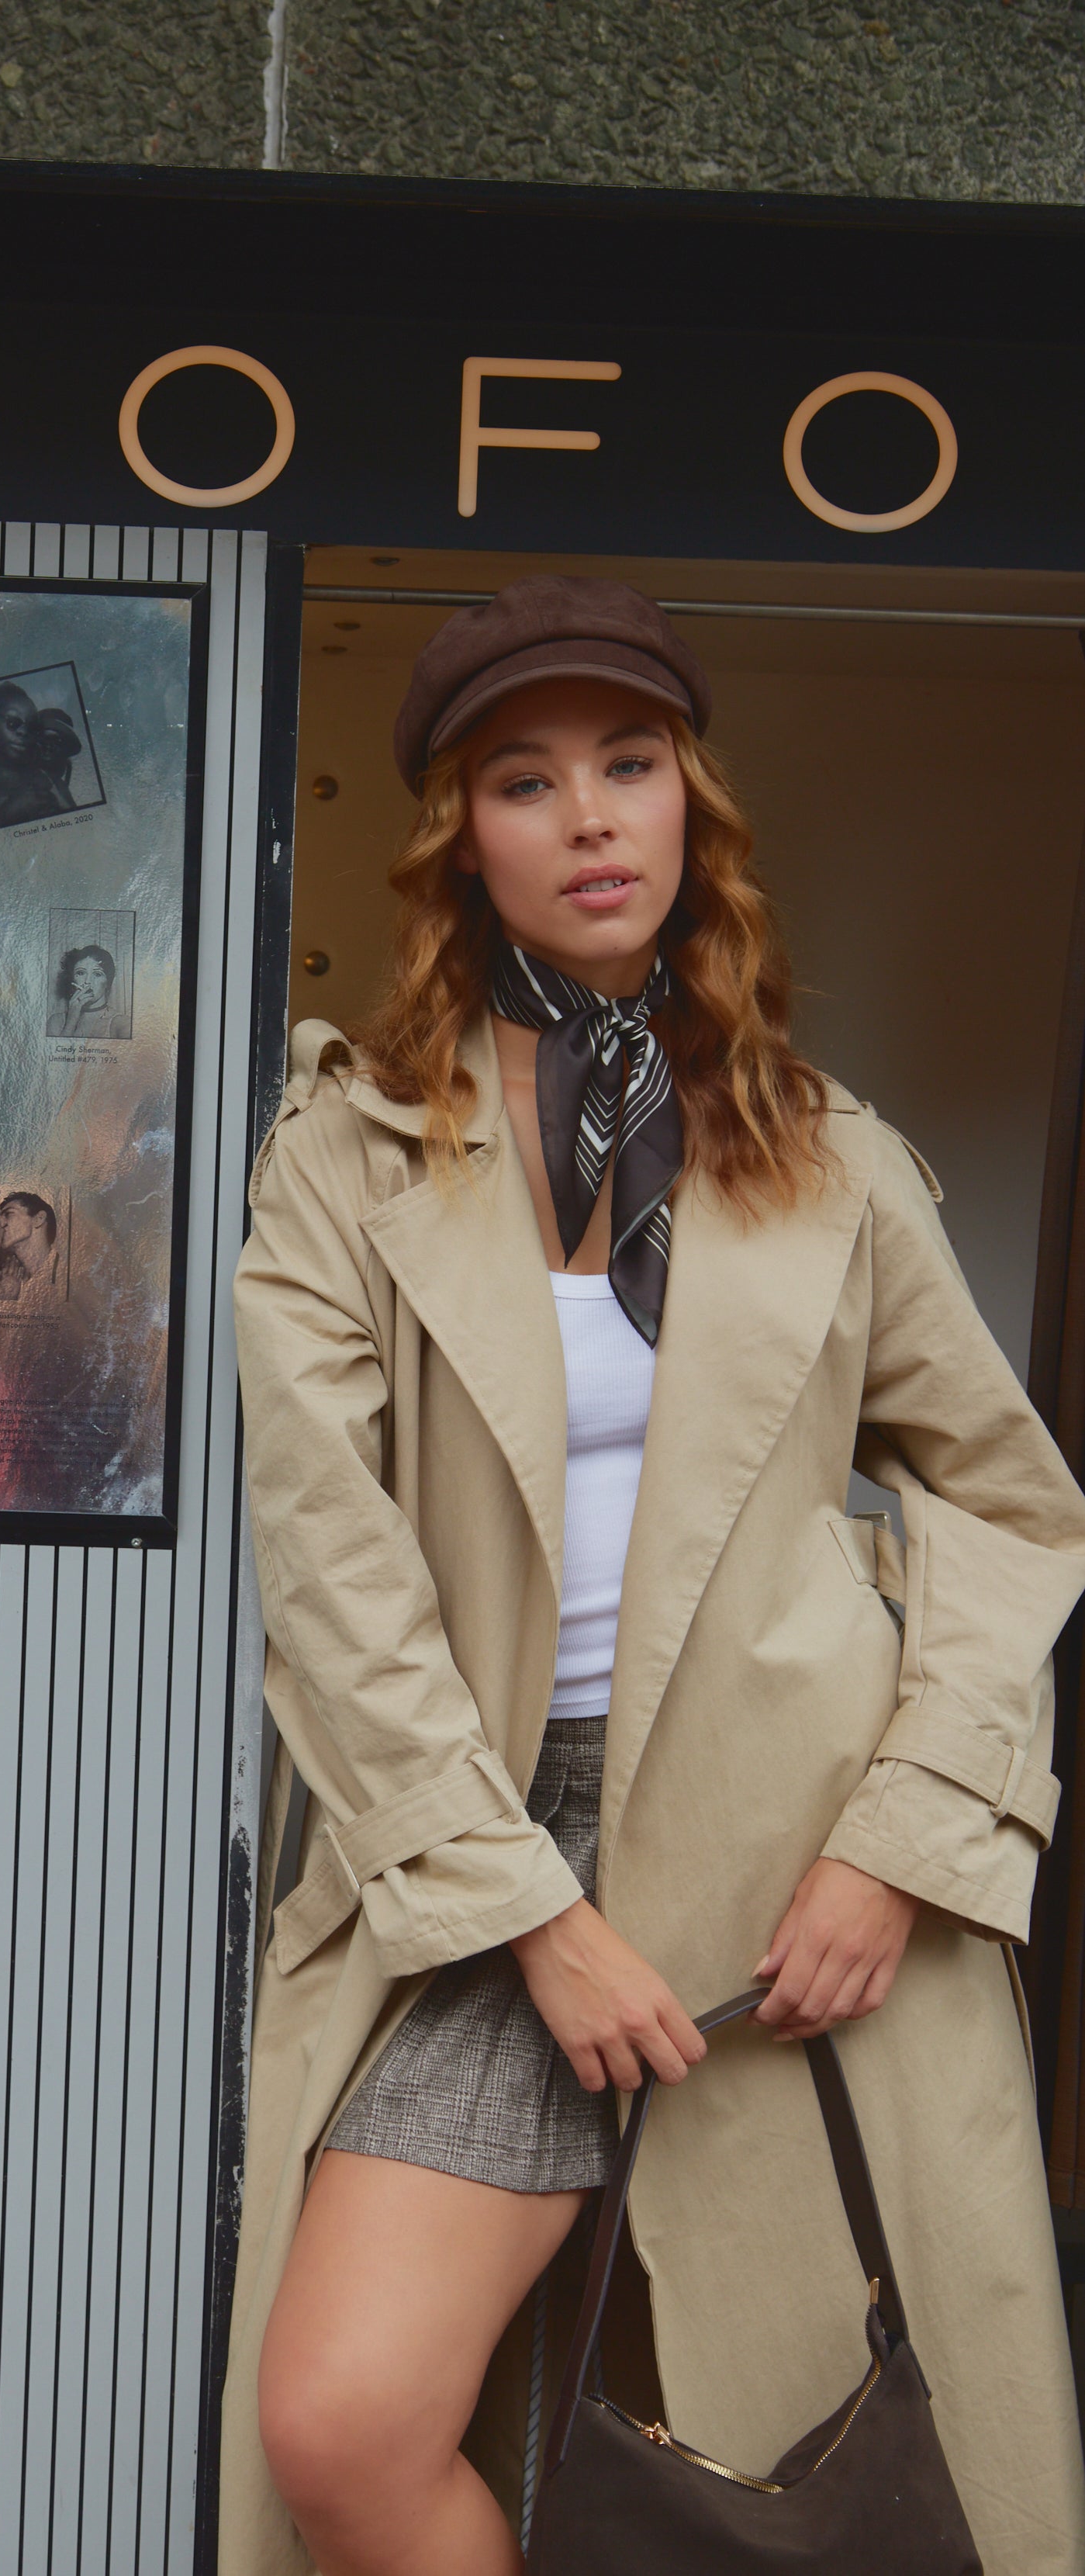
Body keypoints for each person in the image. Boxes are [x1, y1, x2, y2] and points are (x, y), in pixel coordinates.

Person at [221, 575, 1085, 2576]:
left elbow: (1005, 1503)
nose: (589, 816)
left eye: (627, 765)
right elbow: (332, 1579)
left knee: (804, 2461)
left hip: (800, 1873)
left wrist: (902, 1839)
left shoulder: (819, 1153)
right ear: (460, 840)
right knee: (341, 2426)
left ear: (688, 805)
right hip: (485, 1854)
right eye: (525, 780)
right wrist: (529, 1913)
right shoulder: (346, 1157)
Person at [0, 680, 83, 827]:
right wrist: (12, 811)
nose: (23, 732)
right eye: (13, 722)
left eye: (31, 728)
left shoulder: (48, 781)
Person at [48, 942, 130, 1040]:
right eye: (81, 973)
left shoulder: (121, 1023)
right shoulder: (56, 1021)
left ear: (108, 982)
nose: (88, 982)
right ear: (72, 979)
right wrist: (71, 1021)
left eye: (97, 974)